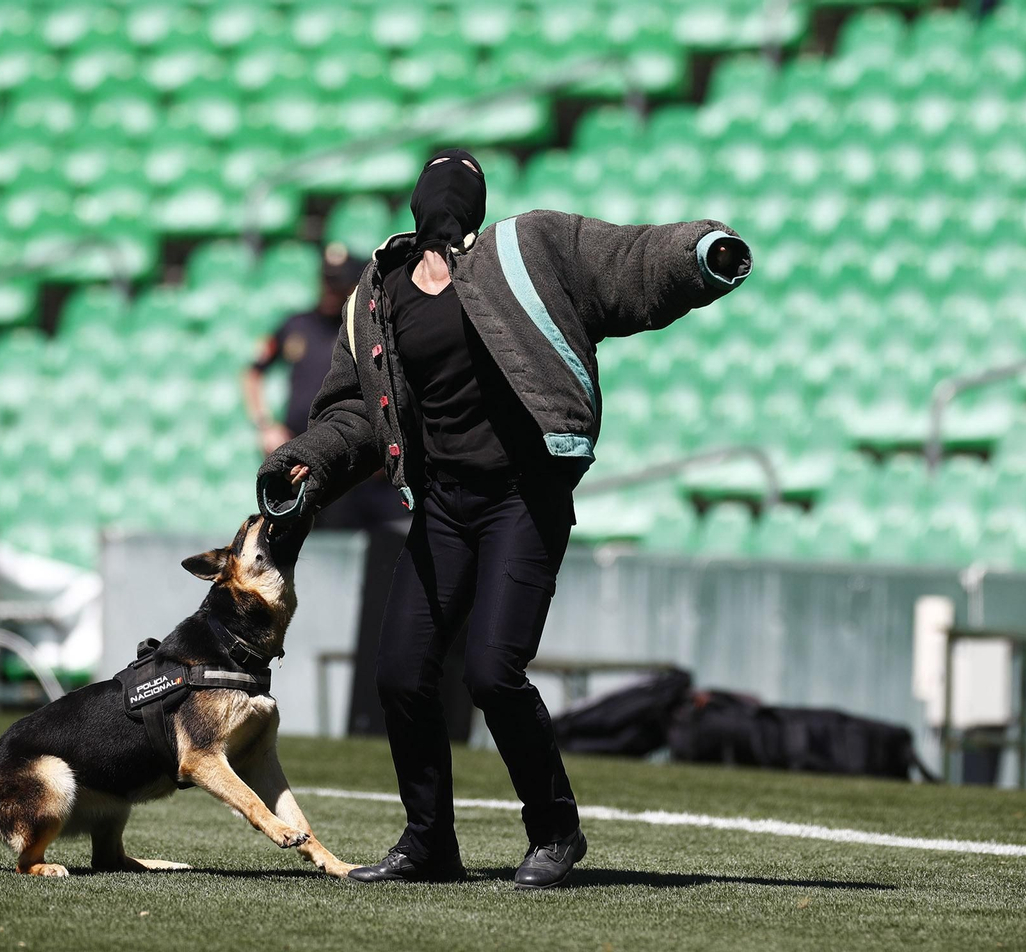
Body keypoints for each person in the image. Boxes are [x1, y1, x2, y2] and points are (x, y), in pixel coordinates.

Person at [254, 148, 752, 889]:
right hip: (443, 504)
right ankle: (429, 844)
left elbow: (625, 263)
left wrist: (701, 254)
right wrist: (309, 461)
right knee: (400, 674)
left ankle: (555, 832)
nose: (448, 204)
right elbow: (356, 408)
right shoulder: (378, 292)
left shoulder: (527, 249)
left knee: (492, 670)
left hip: (523, 497)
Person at [243, 243, 405, 531]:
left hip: (353, 457)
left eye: (338, 283)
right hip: (299, 458)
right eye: (327, 281)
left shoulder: (366, 329)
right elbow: (252, 373)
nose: (330, 291)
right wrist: (265, 424)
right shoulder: (296, 324)